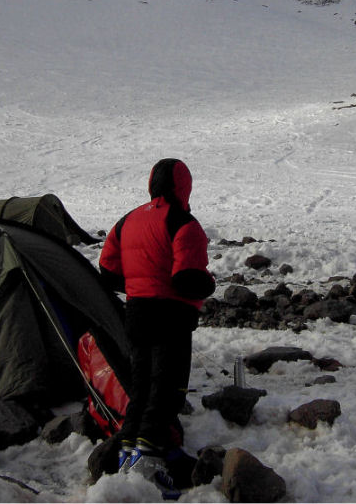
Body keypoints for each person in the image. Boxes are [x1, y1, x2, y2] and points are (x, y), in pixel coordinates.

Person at [99, 158, 215, 496]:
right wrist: (208, 285)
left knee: (141, 384)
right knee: (165, 391)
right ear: (183, 186)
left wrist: (139, 284)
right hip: (171, 317)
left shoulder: (128, 220)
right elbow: (187, 279)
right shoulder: (183, 223)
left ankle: (127, 449)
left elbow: (108, 270)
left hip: (136, 313)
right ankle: (147, 463)